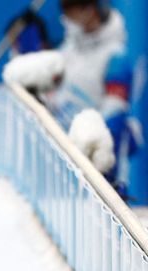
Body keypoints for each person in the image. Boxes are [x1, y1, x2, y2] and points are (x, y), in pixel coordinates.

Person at [12, 0, 142, 191]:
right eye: (63, 8)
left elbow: (112, 121)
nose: (65, 15)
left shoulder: (115, 57)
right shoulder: (66, 51)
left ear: (90, 8)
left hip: (95, 175)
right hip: (57, 168)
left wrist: (102, 172)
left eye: (70, 7)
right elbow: (48, 99)